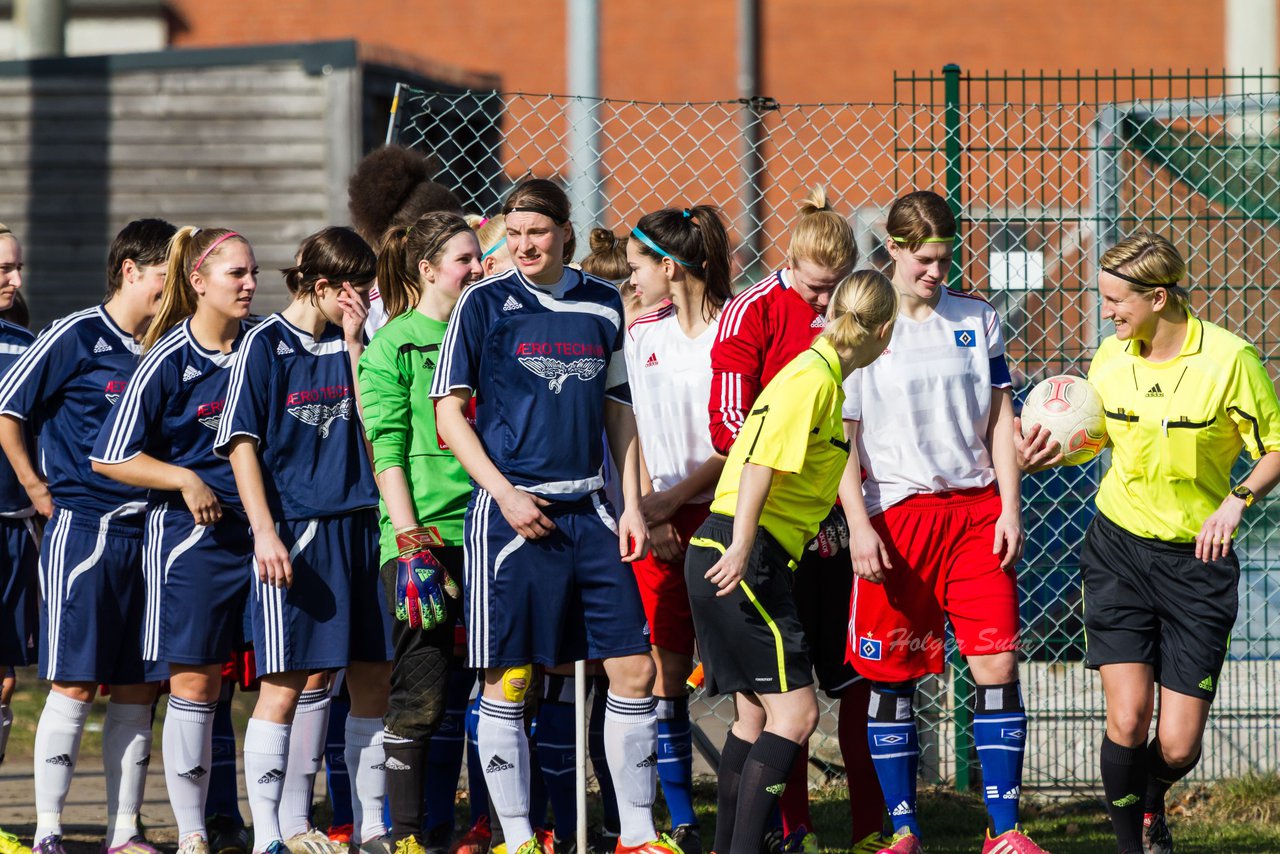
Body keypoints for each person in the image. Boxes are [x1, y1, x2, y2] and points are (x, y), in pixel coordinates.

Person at [431, 178, 678, 854]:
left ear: (565, 231)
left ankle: (635, 835)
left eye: (536, 233)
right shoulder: (484, 302)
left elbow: (619, 409)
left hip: (591, 511)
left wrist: (630, 504)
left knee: (634, 671)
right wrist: (505, 494)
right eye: (513, 235)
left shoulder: (602, 301)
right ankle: (516, 837)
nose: (523, 245)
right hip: (512, 518)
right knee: (509, 680)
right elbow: (449, 413)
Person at [1028, 232, 1280, 854]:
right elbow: (1095, 439)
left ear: (1158, 296)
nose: (1106, 311)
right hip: (1117, 550)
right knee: (1126, 717)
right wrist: (1040, 453)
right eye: (1104, 298)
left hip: (1198, 564)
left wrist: (1236, 499)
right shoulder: (1111, 359)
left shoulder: (1229, 361)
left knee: (1176, 745)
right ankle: (1130, 847)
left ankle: (1151, 798)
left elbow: (1275, 447)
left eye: (1117, 300)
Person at [841, 191, 1047, 854]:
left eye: (944, 257)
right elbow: (840, 440)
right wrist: (858, 525)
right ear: (893, 249)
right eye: (924, 258)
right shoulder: (860, 326)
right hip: (896, 517)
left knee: (997, 660)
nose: (936, 270)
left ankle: (1005, 831)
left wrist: (1010, 506)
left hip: (976, 514)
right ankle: (904, 831)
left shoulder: (977, 318)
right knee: (891, 675)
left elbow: (998, 422)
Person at [685, 269, 896, 854]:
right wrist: (745, 546)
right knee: (797, 716)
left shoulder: (822, 375)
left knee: (754, 720)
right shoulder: (812, 379)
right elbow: (758, 463)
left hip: (732, 549)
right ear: (883, 330)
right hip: (742, 552)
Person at [0, 219, 177, 854]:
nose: (172, 288)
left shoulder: (169, 343)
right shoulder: (74, 336)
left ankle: (123, 830)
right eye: (164, 276)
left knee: (138, 686)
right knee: (74, 681)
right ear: (131, 271)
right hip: (86, 530)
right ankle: (47, 827)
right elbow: (8, 413)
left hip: (152, 535)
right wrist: (37, 490)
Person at [211, 226, 390, 854]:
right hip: (298, 531)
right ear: (322, 286)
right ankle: (270, 836)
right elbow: (240, 446)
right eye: (356, 291)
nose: (365, 300)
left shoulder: (357, 343)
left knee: (373, 677)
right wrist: (264, 533)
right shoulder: (263, 343)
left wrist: (353, 344)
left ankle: (373, 827)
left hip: (363, 524)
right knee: (285, 682)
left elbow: (375, 430)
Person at [90, 226, 258, 854]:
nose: (247, 284)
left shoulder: (261, 345)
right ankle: (191, 832)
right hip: (193, 541)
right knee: (195, 684)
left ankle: (271, 825)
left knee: (288, 679)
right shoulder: (167, 358)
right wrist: (184, 478)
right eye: (234, 274)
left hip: (267, 535)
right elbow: (109, 456)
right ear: (198, 282)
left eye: (253, 273)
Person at [356, 211, 483, 854]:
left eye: (479, 255)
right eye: (464, 259)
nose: (479, 267)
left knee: (499, 686)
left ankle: (492, 827)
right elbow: (388, 450)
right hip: (424, 541)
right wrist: (409, 540)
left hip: (492, 532)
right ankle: (406, 838)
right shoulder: (393, 345)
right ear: (428, 270)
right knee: (421, 687)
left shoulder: (491, 328)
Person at [622, 205, 734, 854]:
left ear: (669, 266)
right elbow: (630, 426)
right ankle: (682, 820)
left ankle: (780, 823)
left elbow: (741, 438)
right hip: (658, 520)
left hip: (721, 516)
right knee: (668, 676)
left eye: (637, 267)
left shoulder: (731, 328)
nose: (630, 280)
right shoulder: (641, 333)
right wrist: (645, 505)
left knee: (752, 679)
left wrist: (674, 502)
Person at [0, 225, 38, 854]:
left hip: (12, 529)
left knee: (4, 680)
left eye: (16, 267)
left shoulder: (28, 344)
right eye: (2, 268)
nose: (14, 279)